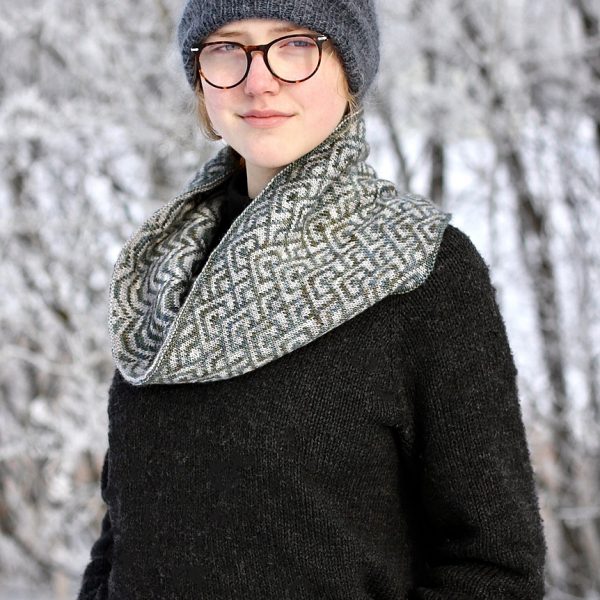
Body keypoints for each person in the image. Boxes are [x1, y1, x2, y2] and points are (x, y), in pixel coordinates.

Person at [77, 0, 546, 598]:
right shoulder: (164, 270)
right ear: (200, 79)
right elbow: (125, 532)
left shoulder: (421, 268)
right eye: (227, 48)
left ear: (350, 68)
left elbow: (492, 567)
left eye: (296, 44)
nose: (259, 79)